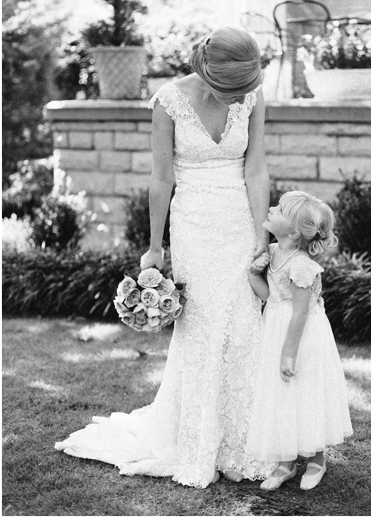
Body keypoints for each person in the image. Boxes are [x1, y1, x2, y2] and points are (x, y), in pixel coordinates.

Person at [55, 26, 274, 488]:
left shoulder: (252, 97)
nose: (239, 94)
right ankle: (196, 440)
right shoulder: (168, 101)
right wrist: (155, 248)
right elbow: (161, 180)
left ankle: (243, 440)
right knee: (201, 326)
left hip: (238, 221)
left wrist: (261, 236)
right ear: (209, 69)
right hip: (192, 224)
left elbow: (256, 168)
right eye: (231, 85)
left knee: (242, 324)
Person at [245, 191, 353, 491]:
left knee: (306, 390)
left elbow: (301, 312)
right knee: (282, 392)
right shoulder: (275, 251)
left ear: (293, 231)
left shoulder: (302, 265)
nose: (270, 208)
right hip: (277, 327)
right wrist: (254, 273)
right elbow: (270, 296)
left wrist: (288, 353)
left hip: (302, 336)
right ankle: (286, 461)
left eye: (278, 209)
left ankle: (317, 458)